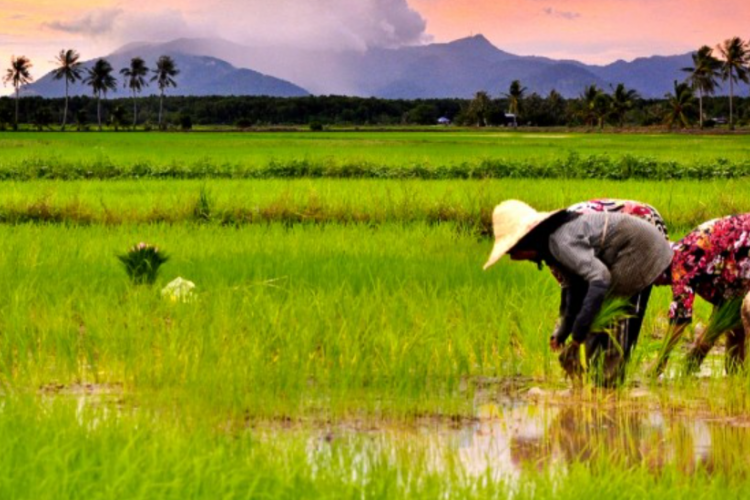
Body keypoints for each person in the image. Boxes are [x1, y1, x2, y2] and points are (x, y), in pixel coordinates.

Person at [483, 200, 673, 386]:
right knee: (594, 314)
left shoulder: (562, 242)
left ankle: (609, 385)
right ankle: (597, 381)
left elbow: (600, 278)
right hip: (628, 246)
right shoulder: (552, 249)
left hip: (641, 247)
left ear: (525, 243)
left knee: (611, 313)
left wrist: (578, 334)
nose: (514, 258)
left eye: (512, 252)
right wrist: (562, 332)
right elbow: (572, 291)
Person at [654, 214, 750, 374]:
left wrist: (660, 361)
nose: (655, 285)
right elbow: (728, 306)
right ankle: (736, 378)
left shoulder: (681, 261)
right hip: (741, 255)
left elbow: (680, 317)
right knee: (734, 322)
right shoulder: (687, 253)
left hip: (744, 246)